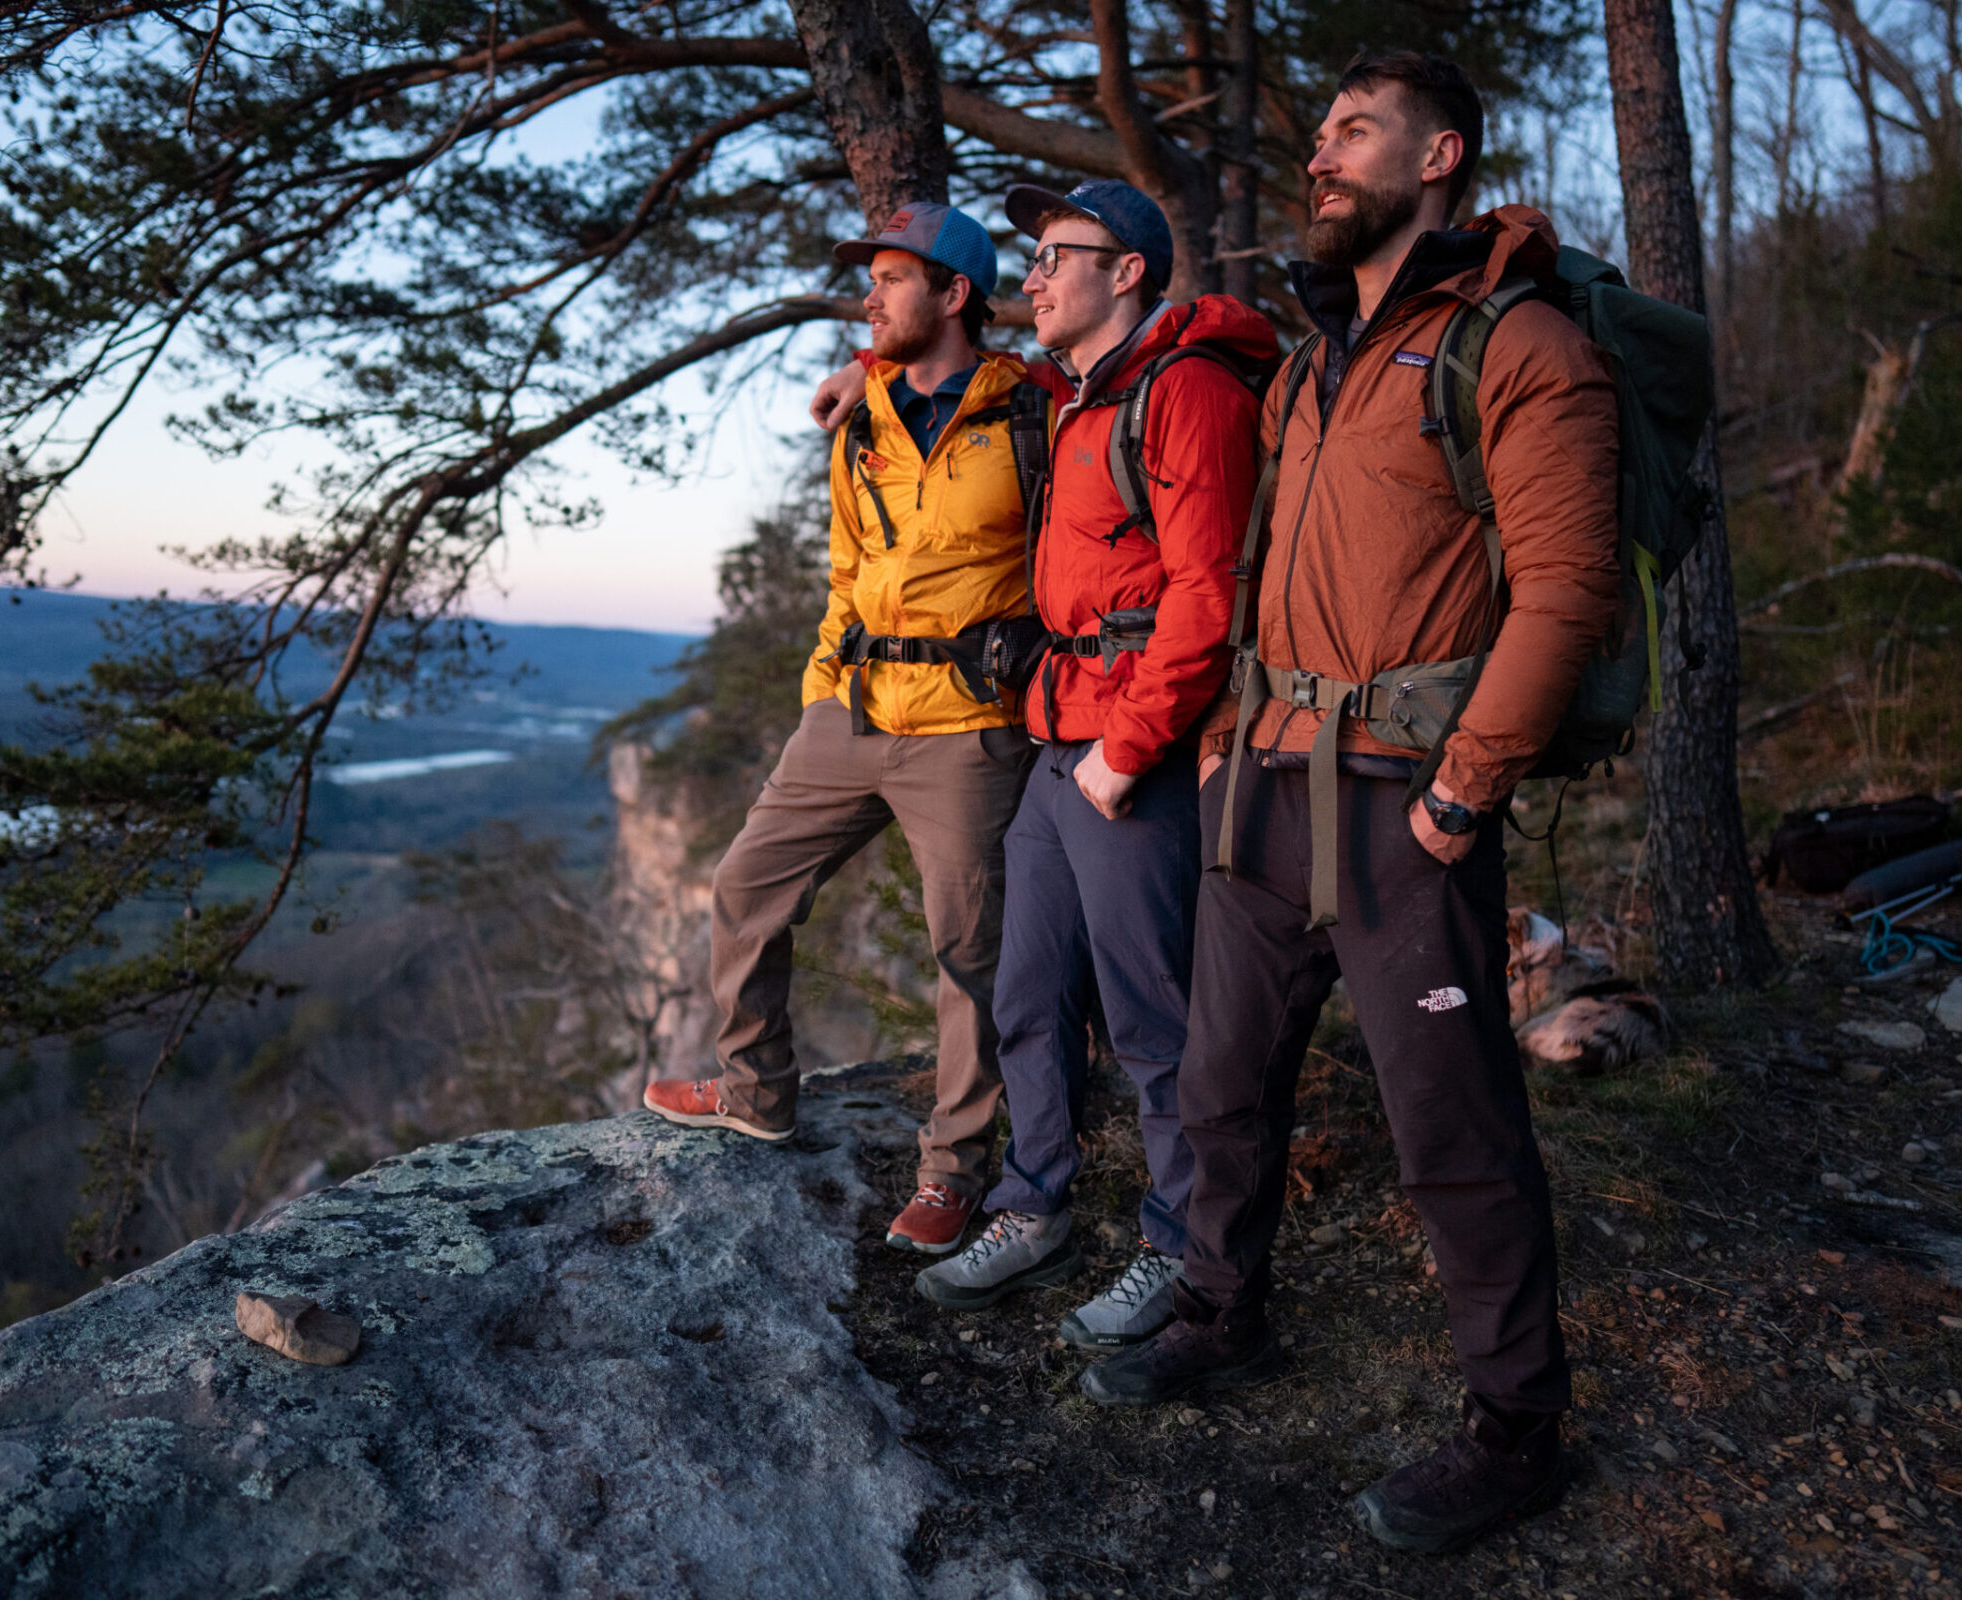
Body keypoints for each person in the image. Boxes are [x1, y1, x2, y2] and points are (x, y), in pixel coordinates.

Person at [1072, 52, 1621, 1559]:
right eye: (1316, 134)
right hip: (1262, 787)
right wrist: (1225, 734)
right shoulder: (1319, 360)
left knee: (1451, 1125)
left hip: (1403, 804)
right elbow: (1259, 572)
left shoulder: (1519, 347)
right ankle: (1218, 1313)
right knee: (1220, 1083)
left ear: (1439, 156)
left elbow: (1568, 589)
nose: (1321, 156)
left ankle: (1519, 1430)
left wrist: (1464, 790)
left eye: (1354, 132)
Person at [817, 181, 1274, 1343]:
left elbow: (1204, 593)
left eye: (1055, 255)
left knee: (1150, 1016)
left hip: (1130, 744)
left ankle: (1181, 1246)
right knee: (1026, 992)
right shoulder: (1070, 397)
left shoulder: (1188, 392)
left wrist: (1127, 752)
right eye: (1025, 256)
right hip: (1055, 733)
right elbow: (932, 386)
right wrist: (861, 379)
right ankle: (1034, 1201)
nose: (1031, 276)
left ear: (1126, 271)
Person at [641, 203, 1045, 1254]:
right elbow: (846, 568)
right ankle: (757, 1089)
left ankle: (955, 1170)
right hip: (854, 709)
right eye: (868, 280)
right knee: (744, 886)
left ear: (955, 296)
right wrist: (824, 685)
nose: (870, 296)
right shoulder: (863, 417)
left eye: (894, 279)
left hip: (968, 726)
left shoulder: (1031, 414)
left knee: (970, 954)